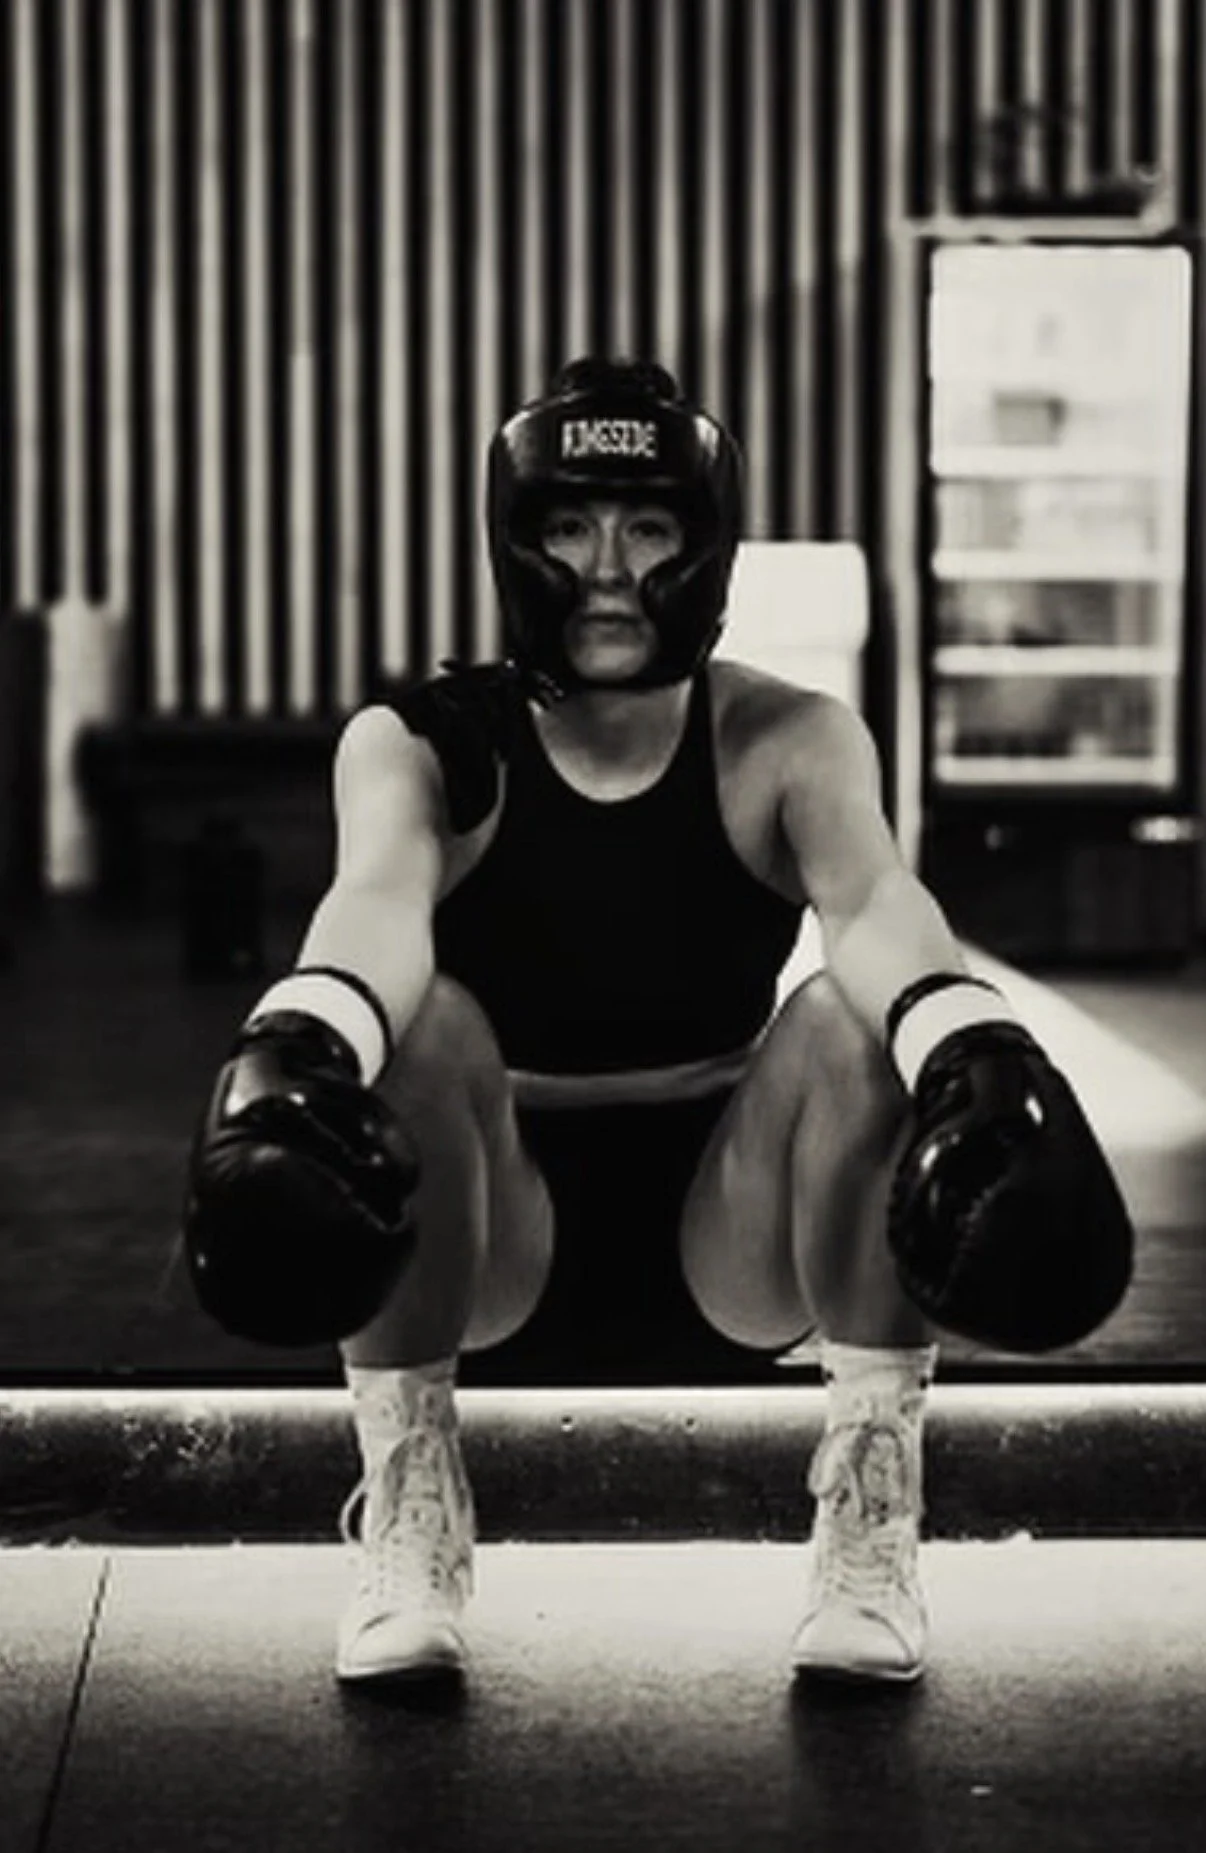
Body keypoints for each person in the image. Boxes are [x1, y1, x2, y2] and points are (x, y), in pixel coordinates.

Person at [182, 357, 1134, 1690]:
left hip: (727, 1231)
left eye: (647, 528)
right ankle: (408, 1510)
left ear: (707, 548)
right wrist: (298, 1043)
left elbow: (874, 908)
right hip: (493, 1231)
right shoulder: (424, 744)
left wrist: (974, 1052)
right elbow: (375, 910)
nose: (609, 570)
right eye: (571, 527)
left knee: (847, 1023)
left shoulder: (791, 740)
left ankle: (871, 1524)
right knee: (427, 1023)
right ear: (516, 543)